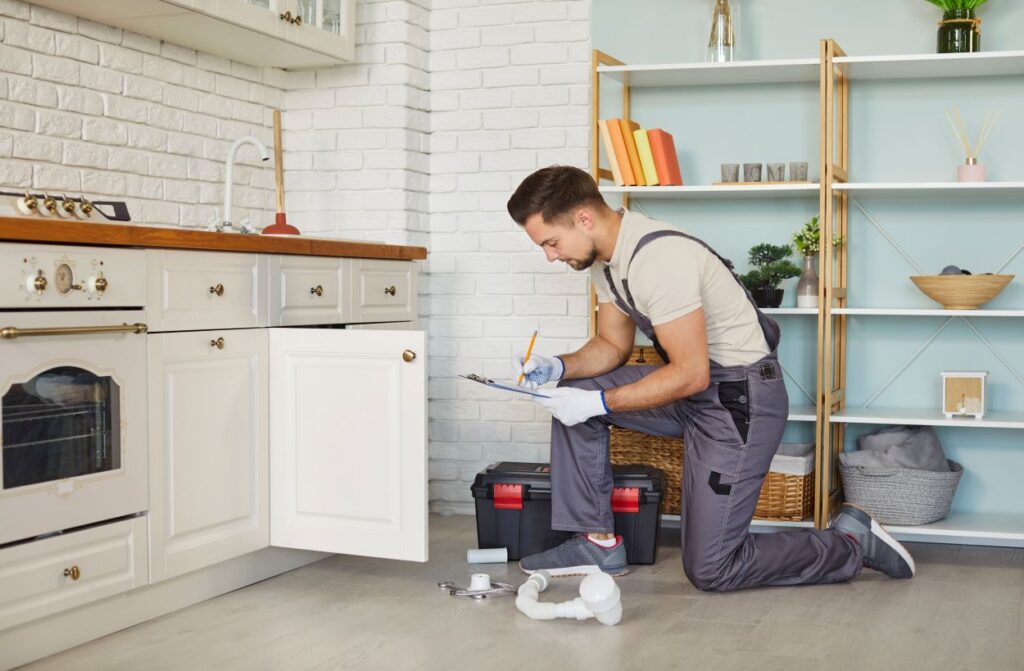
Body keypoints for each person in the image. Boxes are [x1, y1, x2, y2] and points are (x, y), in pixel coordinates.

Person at [504, 165, 915, 591]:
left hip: (740, 401)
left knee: (713, 568)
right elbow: (612, 344)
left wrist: (597, 404)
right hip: (696, 390)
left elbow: (691, 373)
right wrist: (559, 366)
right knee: (571, 394)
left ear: (584, 219)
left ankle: (850, 542)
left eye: (551, 242)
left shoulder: (657, 258)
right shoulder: (604, 263)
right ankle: (597, 543)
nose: (550, 256)